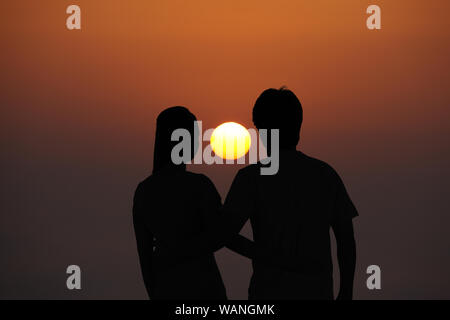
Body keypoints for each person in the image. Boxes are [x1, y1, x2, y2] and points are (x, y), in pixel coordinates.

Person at [167, 88, 358, 300]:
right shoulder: (325, 175)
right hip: (317, 291)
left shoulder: (251, 178)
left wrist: (182, 247)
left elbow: (224, 234)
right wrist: (346, 291)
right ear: (298, 125)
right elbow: (346, 240)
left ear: (262, 130)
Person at [132, 106, 254, 300]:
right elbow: (223, 235)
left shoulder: (143, 191)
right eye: (195, 135)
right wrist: (266, 256)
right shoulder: (199, 186)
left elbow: (144, 259)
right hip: (203, 288)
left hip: (167, 288)